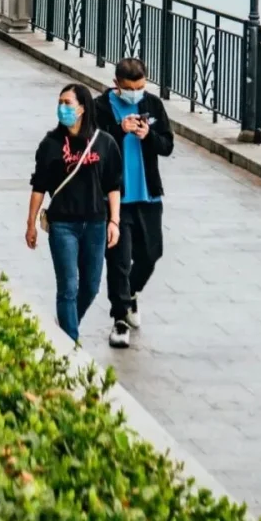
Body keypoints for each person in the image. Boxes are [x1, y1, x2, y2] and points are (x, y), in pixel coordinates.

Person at [27, 83, 122, 344]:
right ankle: (70, 342)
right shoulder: (51, 144)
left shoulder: (104, 143)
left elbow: (114, 186)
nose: (62, 108)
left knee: (90, 286)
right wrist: (31, 223)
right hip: (62, 225)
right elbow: (39, 187)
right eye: (60, 102)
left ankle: (66, 326)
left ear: (82, 108)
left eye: (67, 103)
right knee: (68, 286)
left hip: (95, 223)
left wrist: (114, 221)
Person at [95, 57, 174, 349]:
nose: (135, 93)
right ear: (116, 84)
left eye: (140, 87)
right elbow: (93, 147)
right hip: (116, 198)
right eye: (129, 89)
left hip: (148, 195)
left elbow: (167, 145)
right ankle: (119, 319)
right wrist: (119, 129)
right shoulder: (100, 108)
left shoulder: (152, 105)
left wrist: (148, 135)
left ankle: (130, 295)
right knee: (119, 259)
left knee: (152, 253)